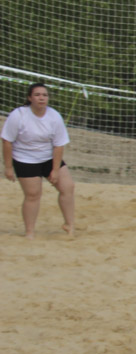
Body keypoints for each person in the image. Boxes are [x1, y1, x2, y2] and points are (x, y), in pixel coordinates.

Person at [2, 83, 77, 238]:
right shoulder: (18, 115)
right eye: (37, 95)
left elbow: (59, 144)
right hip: (24, 159)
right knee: (33, 194)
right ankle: (29, 232)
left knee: (68, 187)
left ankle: (69, 225)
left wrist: (55, 170)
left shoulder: (54, 116)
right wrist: (8, 167)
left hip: (49, 157)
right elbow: (7, 141)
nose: (41, 98)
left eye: (45, 95)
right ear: (30, 98)